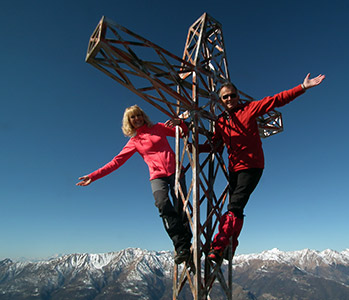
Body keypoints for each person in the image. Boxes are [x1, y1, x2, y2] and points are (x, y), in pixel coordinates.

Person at [205, 73, 326, 262]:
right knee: (236, 209)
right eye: (225, 97)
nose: (229, 99)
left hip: (252, 166)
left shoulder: (250, 109)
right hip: (234, 169)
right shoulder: (221, 121)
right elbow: (216, 145)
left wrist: (302, 87)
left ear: (238, 96)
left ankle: (219, 246)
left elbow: (277, 100)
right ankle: (230, 246)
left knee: (234, 205)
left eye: (232, 95)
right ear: (221, 101)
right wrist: (191, 145)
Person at [76, 105, 192, 264]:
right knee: (162, 203)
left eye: (138, 115)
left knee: (181, 206)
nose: (136, 119)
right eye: (133, 117)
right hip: (157, 176)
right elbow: (116, 162)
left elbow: (183, 133)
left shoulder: (158, 127)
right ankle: (181, 246)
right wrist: (93, 176)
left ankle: (187, 243)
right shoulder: (134, 141)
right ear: (128, 122)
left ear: (143, 116)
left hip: (176, 172)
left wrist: (180, 123)